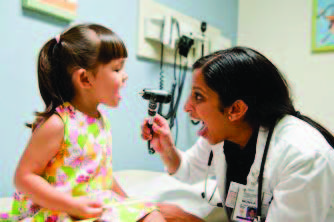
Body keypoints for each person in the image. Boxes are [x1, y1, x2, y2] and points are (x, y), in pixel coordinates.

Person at [141, 46, 334, 221]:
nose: (186, 107)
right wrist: (167, 149)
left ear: (235, 109)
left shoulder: (302, 157)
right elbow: (190, 170)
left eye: (198, 96)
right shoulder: (225, 134)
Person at [1, 24, 166, 222]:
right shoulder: (58, 124)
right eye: (117, 68)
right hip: (59, 209)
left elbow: (102, 174)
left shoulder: (101, 120)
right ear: (85, 79)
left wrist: (129, 203)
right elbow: (24, 178)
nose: (125, 75)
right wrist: (72, 205)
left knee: (153, 215)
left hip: (92, 204)